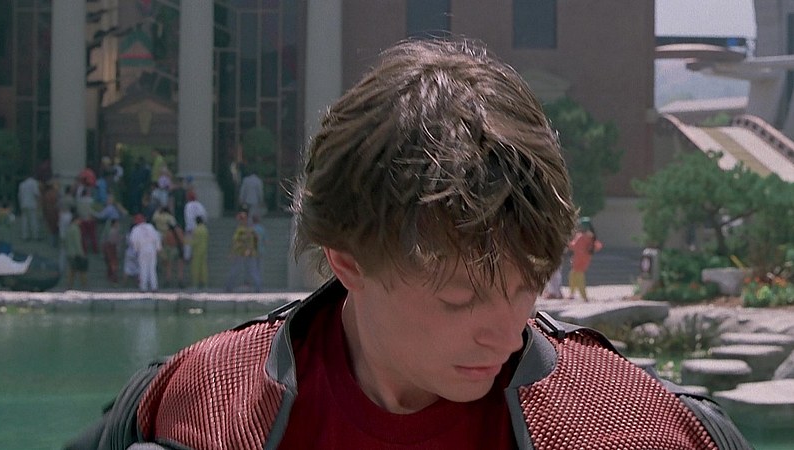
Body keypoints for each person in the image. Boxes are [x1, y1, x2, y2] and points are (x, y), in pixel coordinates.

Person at [65, 39, 749, 450]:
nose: (507, 334)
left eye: (526, 288)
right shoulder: (197, 403)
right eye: (459, 298)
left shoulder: (636, 425)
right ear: (347, 260)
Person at [566, 216, 603, 302]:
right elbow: (598, 246)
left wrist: (567, 243)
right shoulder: (591, 236)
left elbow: (574, 246)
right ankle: (572, 294)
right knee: (573, 275)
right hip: (585, 259)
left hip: (578, 260)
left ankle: (583, 296)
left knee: (578, 277)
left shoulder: (580, 236)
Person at [224, 209, 260, 293]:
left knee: (238, 270)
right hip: (245, 253)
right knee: (249, 271)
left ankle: (229, 287)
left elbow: (238, 242)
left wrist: (234, 252)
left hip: (243, 253)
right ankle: (258, 287)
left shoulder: (242, 230)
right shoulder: (249, 229)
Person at [128, 213, 161, 292]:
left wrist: (136, 249)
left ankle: (143, 287)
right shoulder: (150, 227)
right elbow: (157, 237)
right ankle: (154, 287)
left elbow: (133, 240)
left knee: (143, 268)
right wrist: (158, 248)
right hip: (151, 248)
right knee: (152, 268)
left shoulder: (135, 229)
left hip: (142, 249)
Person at [64, 213, 88, 289]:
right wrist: (81, 253)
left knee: (71, 270)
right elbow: (77, 242)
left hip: (70, 252)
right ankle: (84, 284)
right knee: (82, 270)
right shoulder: (76, 229)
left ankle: (69, 284)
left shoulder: (69, 228)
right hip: (76, 253)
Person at [17, 174, 41, 241]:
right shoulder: (34, 183)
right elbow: (36, 194)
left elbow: (19, 195)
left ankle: (25, 236)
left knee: (24, 221)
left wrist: (21, 204)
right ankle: (35, 236)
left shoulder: (22, 184)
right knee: (33, 220)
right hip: (32, 204)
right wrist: (39, 203)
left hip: (24, 204)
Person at [188, 215, 209, 289]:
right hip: (204, 250)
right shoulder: (205, 229)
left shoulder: (196, 230)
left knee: (196, 268)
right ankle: (204, 283)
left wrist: (187, 242)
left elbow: (195, 241)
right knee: (203, 268)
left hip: (197, 251)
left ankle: (195, 284)